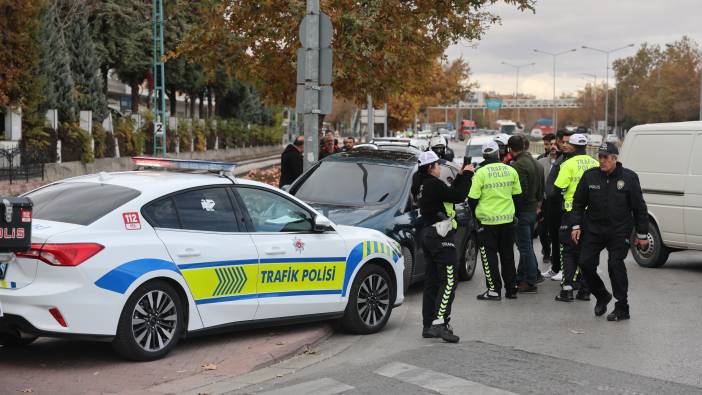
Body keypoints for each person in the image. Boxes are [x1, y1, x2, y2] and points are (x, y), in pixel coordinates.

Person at [570, 143, 649, 321]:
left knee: (615, 265)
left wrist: (642, 235)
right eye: (600, 157)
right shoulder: (590, 176)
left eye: (606, 157)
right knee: (584, 263)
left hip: (619, 231)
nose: (602, 160)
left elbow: (639, 208)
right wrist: (575, 226)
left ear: (615, 158)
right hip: (594, 229)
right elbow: (578, 203)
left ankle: (622, 307)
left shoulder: (629, 178)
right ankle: (601, 295)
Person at [412, 151, 474, 343]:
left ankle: (429, 325)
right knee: (448, 281)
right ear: (431, 168)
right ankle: (440, 324)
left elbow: (447, 195)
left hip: (428, 234)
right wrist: (469, 175)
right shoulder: (433, 184)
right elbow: (458, 196)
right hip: (440, 235)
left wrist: (461, 176)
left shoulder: (421, 185)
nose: (439, 168)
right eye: (437, 165)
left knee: (432, 281)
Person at [468, 141, 522, 301]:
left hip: (486, 223)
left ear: (484, 155)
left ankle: (493, 291)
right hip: (507, 222)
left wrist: (476, 216)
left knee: (489, 257)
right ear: (498, 154)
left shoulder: (480, 173)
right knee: (508, 257)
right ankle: (512, 290)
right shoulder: (510, 170)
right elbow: (518, 197)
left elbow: (472, 199)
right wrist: (513, 214)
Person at [551, 133, 599, 302]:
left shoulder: (568, 164)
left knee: (568, 251)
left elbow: (557, 190)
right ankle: (585, 290)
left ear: (571, 146)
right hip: (592, 214)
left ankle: (567, 289)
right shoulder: (595, 163)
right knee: (588, 251)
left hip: (571, 213)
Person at [508, 135, 544, 293]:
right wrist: (537, 204)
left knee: (524, 247)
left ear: (510, 149)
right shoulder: (536, 163)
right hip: (533, 209)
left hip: (522, 211)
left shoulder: (518, 166)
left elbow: (519, 193)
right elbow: (541, 189)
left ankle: (530, 280)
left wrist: (514, 211)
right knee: (527, 245)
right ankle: (523, 277)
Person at [541, 129, 573, 282]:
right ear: (559, 141)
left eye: (569, 142)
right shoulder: (559, 157)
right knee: (553, 236)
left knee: (562, 239)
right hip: (551, 205)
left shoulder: (568, 158)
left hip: (562, 205)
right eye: (564, 142)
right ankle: (555, 267)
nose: (566, 144)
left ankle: (563, 269)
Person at [537, 134, 558, 265]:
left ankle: (556, 254)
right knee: (542, 230)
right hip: (543, 201)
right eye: (546, 144)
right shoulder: (540, 160)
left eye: (551, 144)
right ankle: (546, 250)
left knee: (555, 230)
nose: (549, 147)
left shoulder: (563, 159)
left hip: (556, 201)